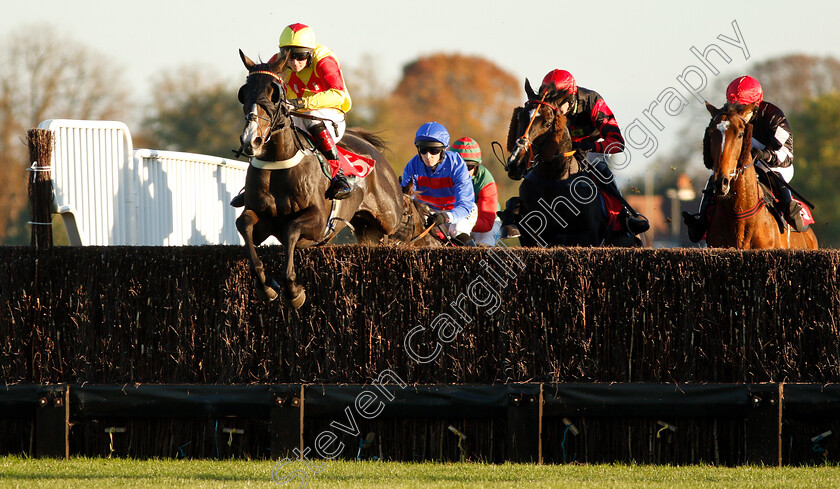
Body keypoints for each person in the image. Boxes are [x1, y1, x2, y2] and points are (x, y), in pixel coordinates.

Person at [501, 69, 649, 238]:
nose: (553, 105)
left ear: (570, 97)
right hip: (561, 151)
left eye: (558, 100)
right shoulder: (549, 109)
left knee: (601, 170)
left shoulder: (593, 101)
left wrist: (589, 146)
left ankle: (625, 216)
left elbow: (617, 143)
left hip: (591, 148)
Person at [231, 22, 352, 207]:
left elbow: (338, 94)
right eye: (289, 56)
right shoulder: (276, 62)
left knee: (311, 114)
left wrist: (302, 103)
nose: (295, 63)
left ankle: (339, 176)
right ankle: (252, 186)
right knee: (267, 125)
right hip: (293, 113)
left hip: (329, 114)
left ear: (310, 53)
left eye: (301, 56)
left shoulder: (324, 60)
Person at [683, 75, 807, 242]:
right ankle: (702, 221)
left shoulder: (774, 116)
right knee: (715, 177)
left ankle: (789, 210)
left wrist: (764, 155)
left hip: (774, 163)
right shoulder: (728, 115)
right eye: (734, 106)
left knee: (771, 175)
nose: (737, 111)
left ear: (755, 105)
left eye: (742, 107)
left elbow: (785, 154)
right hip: (742, 162)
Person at [402, 122, 478, 246]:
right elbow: (408, 200)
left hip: (459, 210)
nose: (428, 156)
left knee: (456, 231)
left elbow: (465, 204)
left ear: (443, 150)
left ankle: (475, 262)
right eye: (423, 150)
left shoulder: (456, 165)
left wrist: (446, 216)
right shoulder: (412, 166)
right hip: (429, 211)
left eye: (434, 150)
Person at [450, 137, 501, 246]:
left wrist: (462, 223)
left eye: (469, 166)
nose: (463, 171)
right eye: (458, 166)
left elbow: (486, 223)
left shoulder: (485, 179)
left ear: (477, 166)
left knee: (484, 241)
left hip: (485, 224)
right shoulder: (443, 175)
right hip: (455, 219)